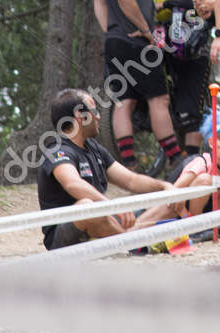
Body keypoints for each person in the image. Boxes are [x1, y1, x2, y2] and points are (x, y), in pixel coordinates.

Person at [35, 89, 179, 252]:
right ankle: (135, 243)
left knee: (170, 204)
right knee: (87, 206)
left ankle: (129, 238)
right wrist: (111, 207)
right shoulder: (57, 150)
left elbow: (131, 180)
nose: (98, 116)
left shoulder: (94, 148)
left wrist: (165, 187)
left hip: (105, 222)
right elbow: (73, 184)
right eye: (94, 111)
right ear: (80, 116)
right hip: (66, 237)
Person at [95, 0, 182, 172]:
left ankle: (129, 165)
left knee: (125, 101)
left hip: (118, 41)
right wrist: (145, 28)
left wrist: (111, 29)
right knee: (159, 100)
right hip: (136, 43)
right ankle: (176, 159)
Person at [140, 0, 215, 160]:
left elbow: (198, 2)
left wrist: (167, 5)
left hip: (192, 51)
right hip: (164, 49)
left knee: (191, 106)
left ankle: (192, 157)